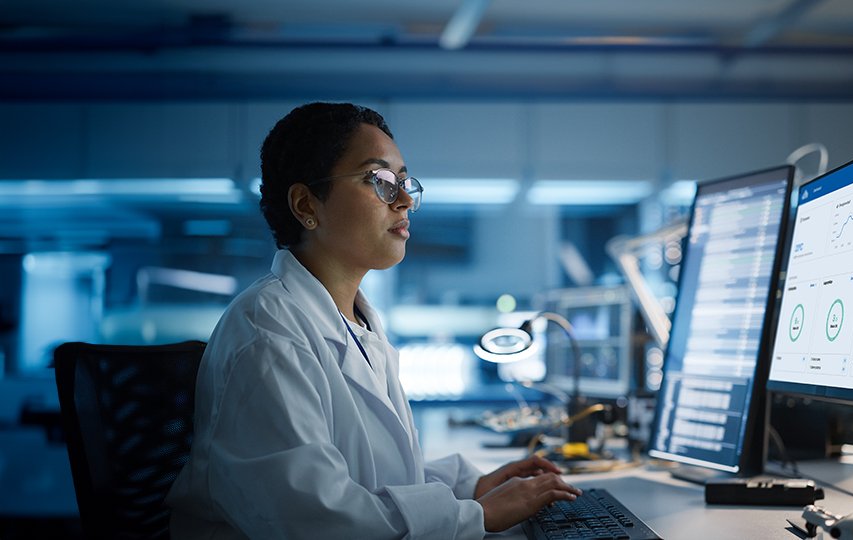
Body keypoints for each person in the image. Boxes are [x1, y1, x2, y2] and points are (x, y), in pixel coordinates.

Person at [165, 102, 581, 539]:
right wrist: (476, 515)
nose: (404, 201)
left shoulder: (354, 321)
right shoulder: (268, 332)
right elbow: (317, 520)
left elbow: (374, 480)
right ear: (307, 204)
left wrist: (470, 487)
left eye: (403, 183)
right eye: (379, 180)